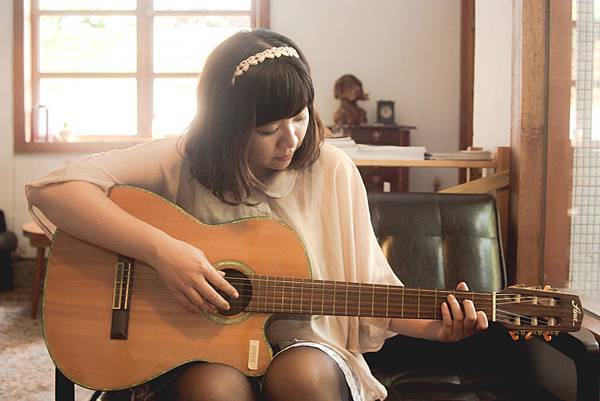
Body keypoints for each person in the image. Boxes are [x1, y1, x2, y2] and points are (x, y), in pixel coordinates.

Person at [26, 29, 488, 401]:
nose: (291, 140)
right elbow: (53, 190)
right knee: (213, 387)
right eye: (267, 129)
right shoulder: (184, 159)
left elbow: (370, 284)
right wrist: (164, 253)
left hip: (309, 348)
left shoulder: (333, 170)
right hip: (200, 351)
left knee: (303, 374)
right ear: (225, 127)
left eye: (299, 118)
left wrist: (434, 327)